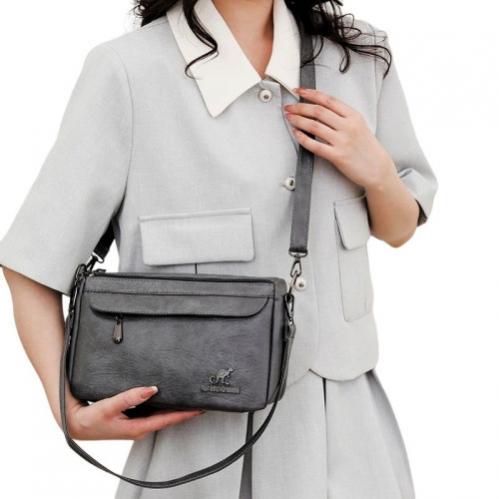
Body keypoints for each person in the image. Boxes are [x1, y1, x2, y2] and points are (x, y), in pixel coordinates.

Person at [0, 0, 438, 497]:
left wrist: (377, 171)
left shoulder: (360, 58)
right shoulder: (128, 72)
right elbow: (33, 263)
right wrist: (67, 410)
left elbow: (399, 229)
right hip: (196, 454)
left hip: (351, 447)